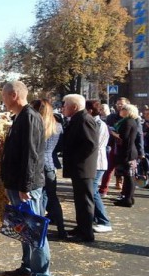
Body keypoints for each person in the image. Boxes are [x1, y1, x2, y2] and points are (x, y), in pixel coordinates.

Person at [0, 81, 50, 276]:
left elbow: (31, 156)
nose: (2, 100)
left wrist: (25, 186)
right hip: (18, 183)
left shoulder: (29, 117)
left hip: (26, 185)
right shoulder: (21, 116)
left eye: (3, 96)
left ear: (13, 95)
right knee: (24, 227)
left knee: (35, 229)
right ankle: (28, 266)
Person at [61, 94, 98, 243]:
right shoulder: (78, 118)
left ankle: (86, 232)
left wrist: (75, 159)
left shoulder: (84, 119)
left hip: (83, 168)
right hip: (80, 168)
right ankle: (81, 227)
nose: (63, 108)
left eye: (65, 105)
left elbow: (90, 144)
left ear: (74, 107)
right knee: (80, 200)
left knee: (85, 201)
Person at [31, 99, 65, 240]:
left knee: (37, 197)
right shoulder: (57, 126)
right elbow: (60, 147)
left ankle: (37, 228)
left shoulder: (34, 125)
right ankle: (61, 229)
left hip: (36, 165)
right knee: (51, 196)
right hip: (50, 164)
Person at [85, 100, 113, 233]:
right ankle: (98, 218)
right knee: (92, 191)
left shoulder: (97, 123)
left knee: (93, 191)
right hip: (97, 161)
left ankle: (104, 221)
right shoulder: (97, 122)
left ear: (90, 110)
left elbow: (93, 144)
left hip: (97, 162)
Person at [111, 104, 139, 207]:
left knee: (129, 176)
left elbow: (124, 137)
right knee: (128, 176)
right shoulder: (127, 121)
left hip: (128, 152)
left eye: (123, 109)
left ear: (128, 111)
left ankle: (128, 198)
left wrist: (113, 133)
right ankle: (128, 197)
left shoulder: (128, 121)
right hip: (127, 151)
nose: (120, 110)